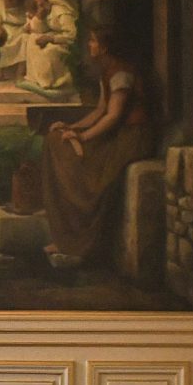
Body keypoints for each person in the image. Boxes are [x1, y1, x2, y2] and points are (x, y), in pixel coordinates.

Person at [38, 26, 156, 268]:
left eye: (92, 41)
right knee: (57, 142)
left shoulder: (121, 74)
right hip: (118, 134)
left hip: (132, 137)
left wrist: (83, 138)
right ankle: (67, 241)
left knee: (94, 182)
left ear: (104, 47)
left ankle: (79, 245)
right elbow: (101, 110)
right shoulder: (108, 71)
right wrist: (74, 128)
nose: (89, 45)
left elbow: (113, 116)